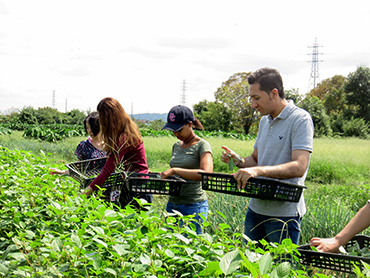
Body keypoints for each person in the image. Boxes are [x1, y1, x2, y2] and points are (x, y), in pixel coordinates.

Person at [221, 67, 314, 245]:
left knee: (280, 269)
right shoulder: (264, 121)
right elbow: (255, 160)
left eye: (257, 98)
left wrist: (257, 171)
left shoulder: (300, 119)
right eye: (251, 98)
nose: (253, 104)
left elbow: (299, 166)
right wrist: (239, 161)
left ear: (274, 93)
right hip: (255, 209)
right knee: (249, 265)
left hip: (283, 215)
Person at [80, 97, 152, 207]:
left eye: (103, 118)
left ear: (110, 118)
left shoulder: (124, 137)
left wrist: (85, 193)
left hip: (138, 187)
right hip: (131, 183)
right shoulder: (125, 130)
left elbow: (106, 172)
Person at [160, 105, 213, 234]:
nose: (176, 134)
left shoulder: (202, 145)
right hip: (173, 203)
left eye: (179, 130)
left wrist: (175, 170)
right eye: (172, 130)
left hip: (193, 205)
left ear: (190, 124)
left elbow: (207, 174)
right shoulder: (176, 146)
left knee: (192, 246)